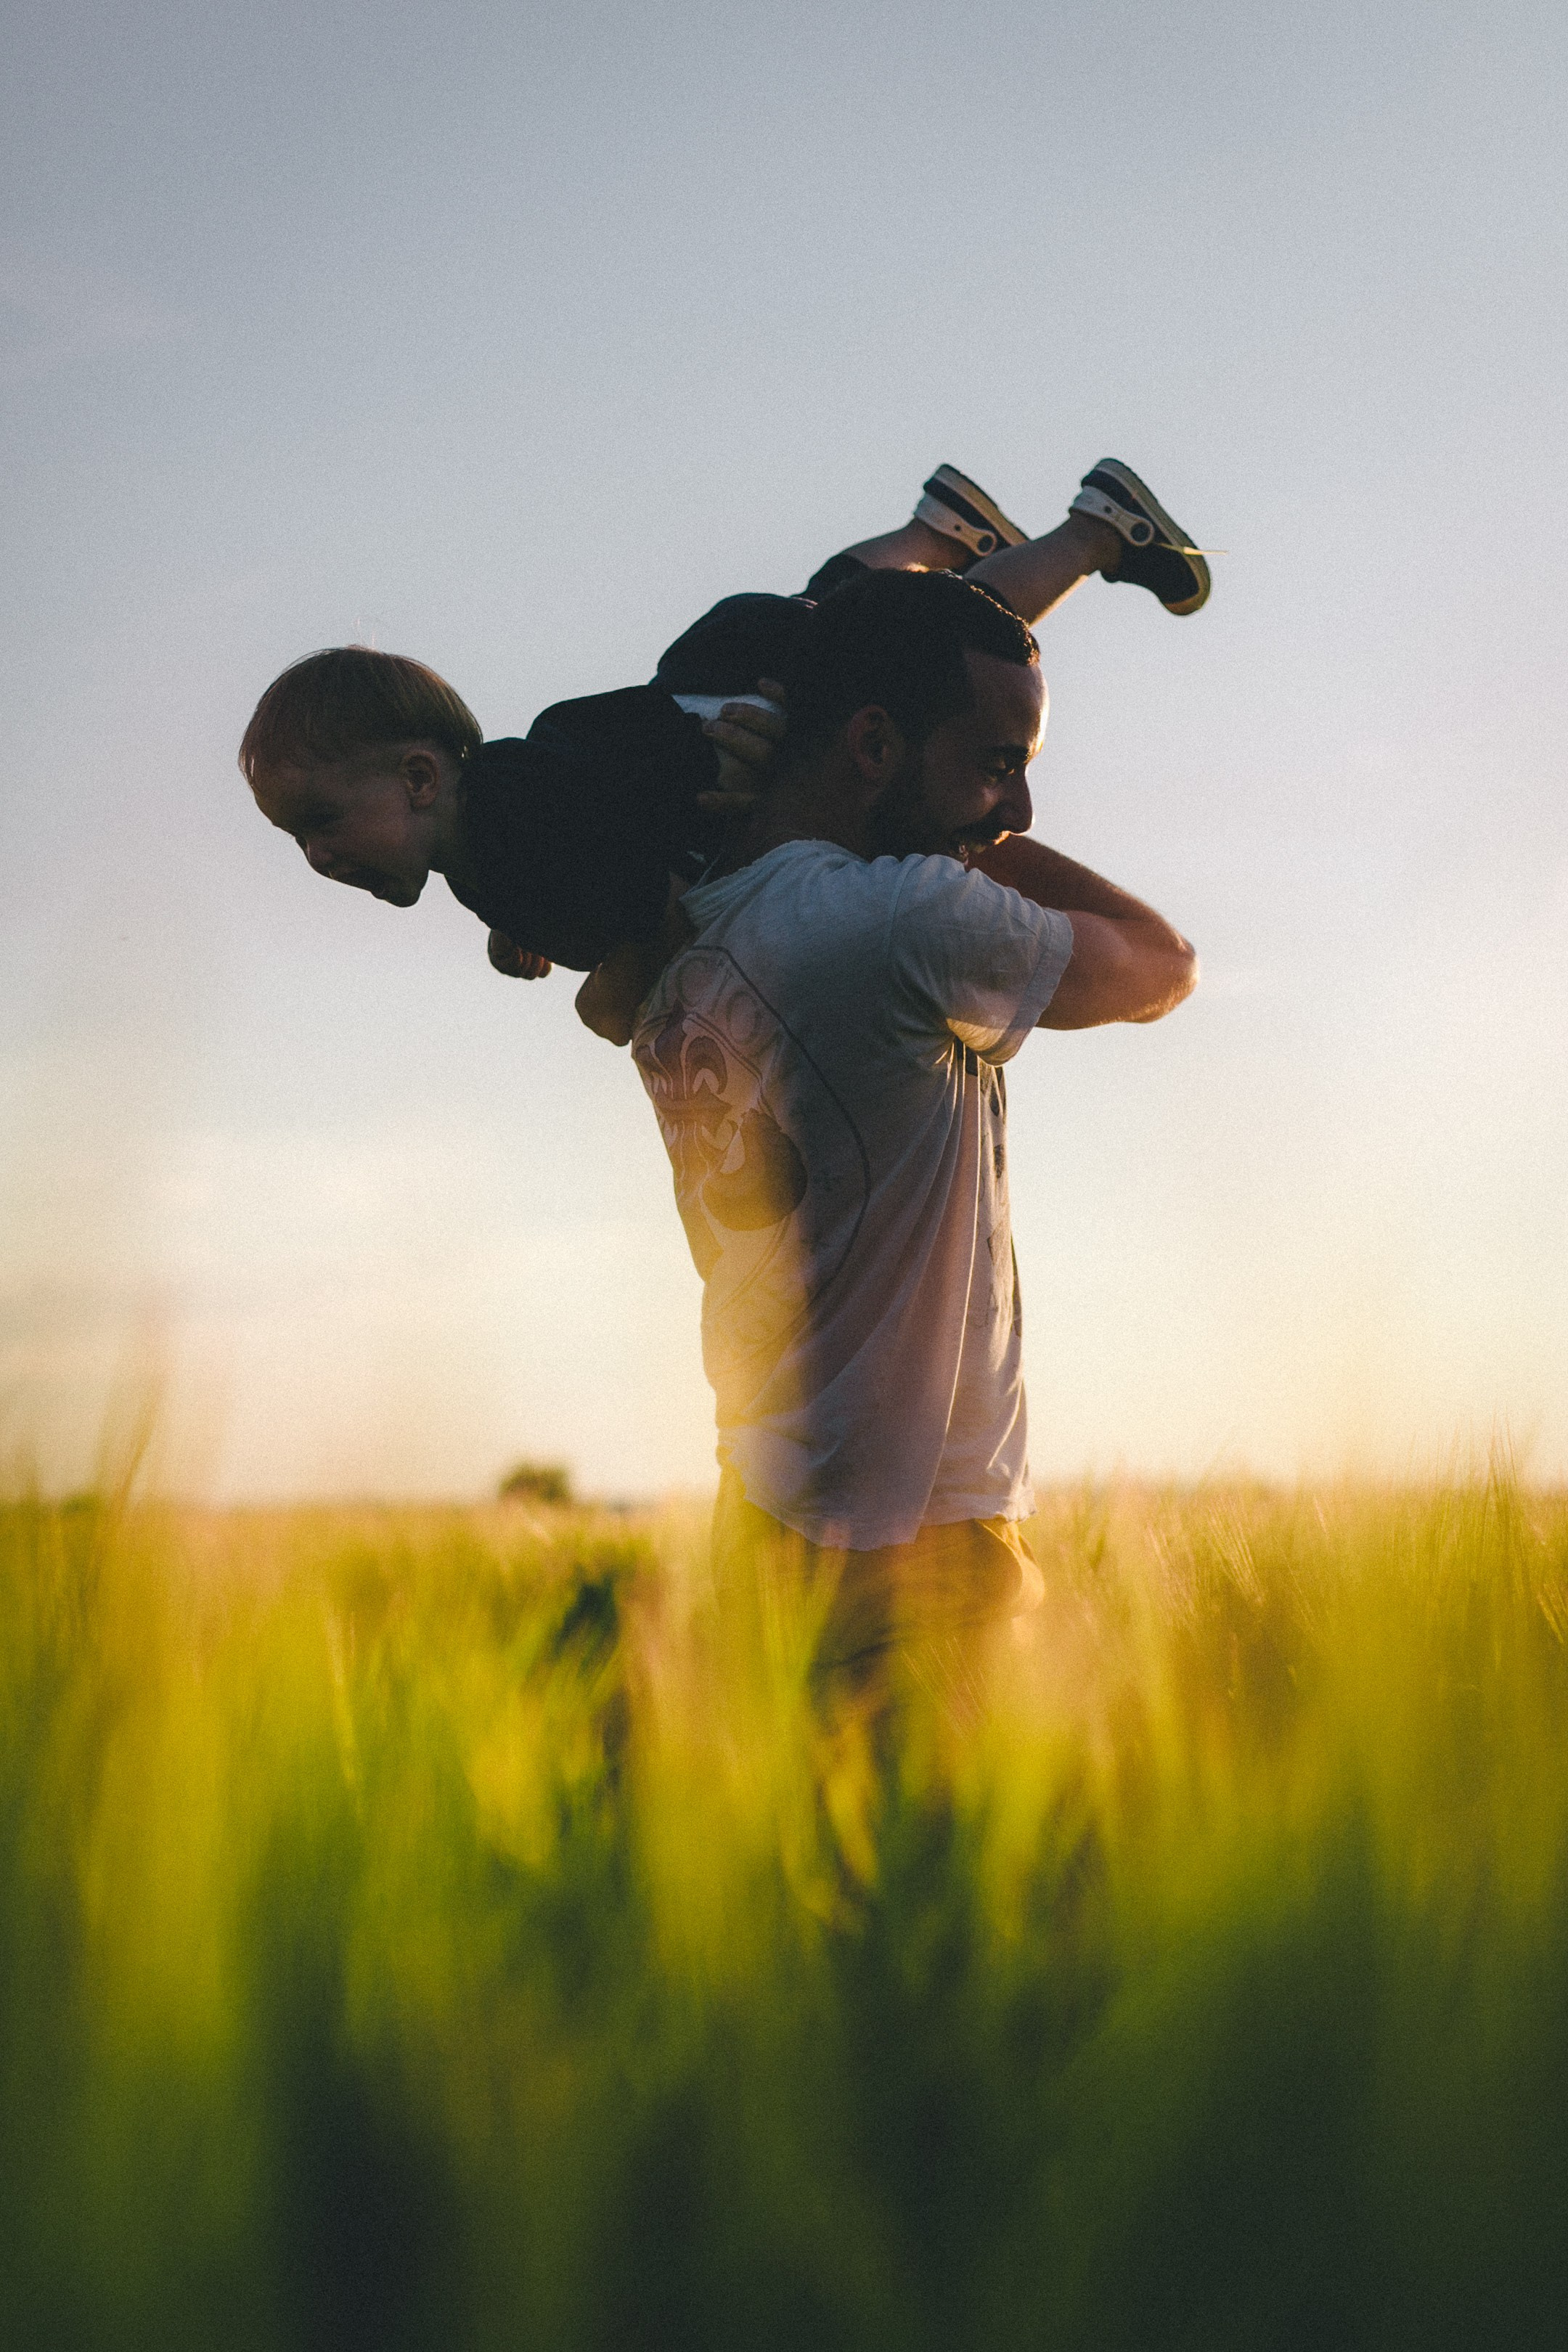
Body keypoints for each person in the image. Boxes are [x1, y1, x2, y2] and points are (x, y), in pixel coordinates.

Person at [626, 566, 1197, 1727]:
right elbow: (1159, 962)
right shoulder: (902, 922)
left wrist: (943, 804)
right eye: (999, 761)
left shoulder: (662, 943)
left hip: (764, 1514)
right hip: (921, 1546)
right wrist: (967, 845)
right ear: (873, 744)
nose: (1020, 810)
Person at [237, 461, 1211, 1022]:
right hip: (710, 664)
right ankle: (939, 532)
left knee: (938, 662)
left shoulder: (509, 835)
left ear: (417, 776)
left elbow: (641, 945)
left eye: (320, 820)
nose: (317, 855)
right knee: (840, 608)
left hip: (752, 702)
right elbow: (587, 818)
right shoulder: (498, 823)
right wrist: (522, 923)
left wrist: (589, 971)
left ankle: (1094, 530)